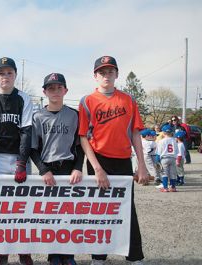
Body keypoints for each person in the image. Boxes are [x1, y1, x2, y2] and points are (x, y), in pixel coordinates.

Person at [78, 56, 148, 265]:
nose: (106, 75)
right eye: (102, 72)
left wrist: (142, 166)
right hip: (98, 159)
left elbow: (136, 133)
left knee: (127, 208)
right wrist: (97, 168)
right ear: (95, 76)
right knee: (99, 209)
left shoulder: (128, 99)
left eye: (110, 71)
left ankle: (134, 256)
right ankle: (98, 256)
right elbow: (83, 137)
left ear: (117, 74)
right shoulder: (87, 101)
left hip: (123, 159)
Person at [0, 57, 33, 265]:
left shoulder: (24, 98)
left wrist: (21, 162)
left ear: (15, 75)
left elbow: (26, 132)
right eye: (1, 73)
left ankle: (23, 251)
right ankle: (2, 251)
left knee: (22, 206)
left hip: (19, 158)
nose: (5, 77)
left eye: (9, 73)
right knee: (0, 207)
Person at [30, 73, 83, 265]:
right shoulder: (37, 116)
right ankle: (53, 255)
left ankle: (68, 255)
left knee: (69, 214)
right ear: (44, 92)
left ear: (66, 90)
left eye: (59, 87)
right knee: (51, 215)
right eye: (50, 88)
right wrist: (43, 170)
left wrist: (78, 168)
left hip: (68, 169)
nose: (55, 91)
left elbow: (79, 145)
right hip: (48, 171)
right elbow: (33, 148)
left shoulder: (74, 115)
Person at [156, 124, 178, 192]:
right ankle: (173, 187)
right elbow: (177, 151)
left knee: (164, 173)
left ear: (163, 132)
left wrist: (157, 160)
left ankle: (165, 188)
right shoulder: (174, 140)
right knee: (172, 173)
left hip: (164, 158)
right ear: (171, 132)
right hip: (173, 158)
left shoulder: (161, 141)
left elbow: (159, 152)